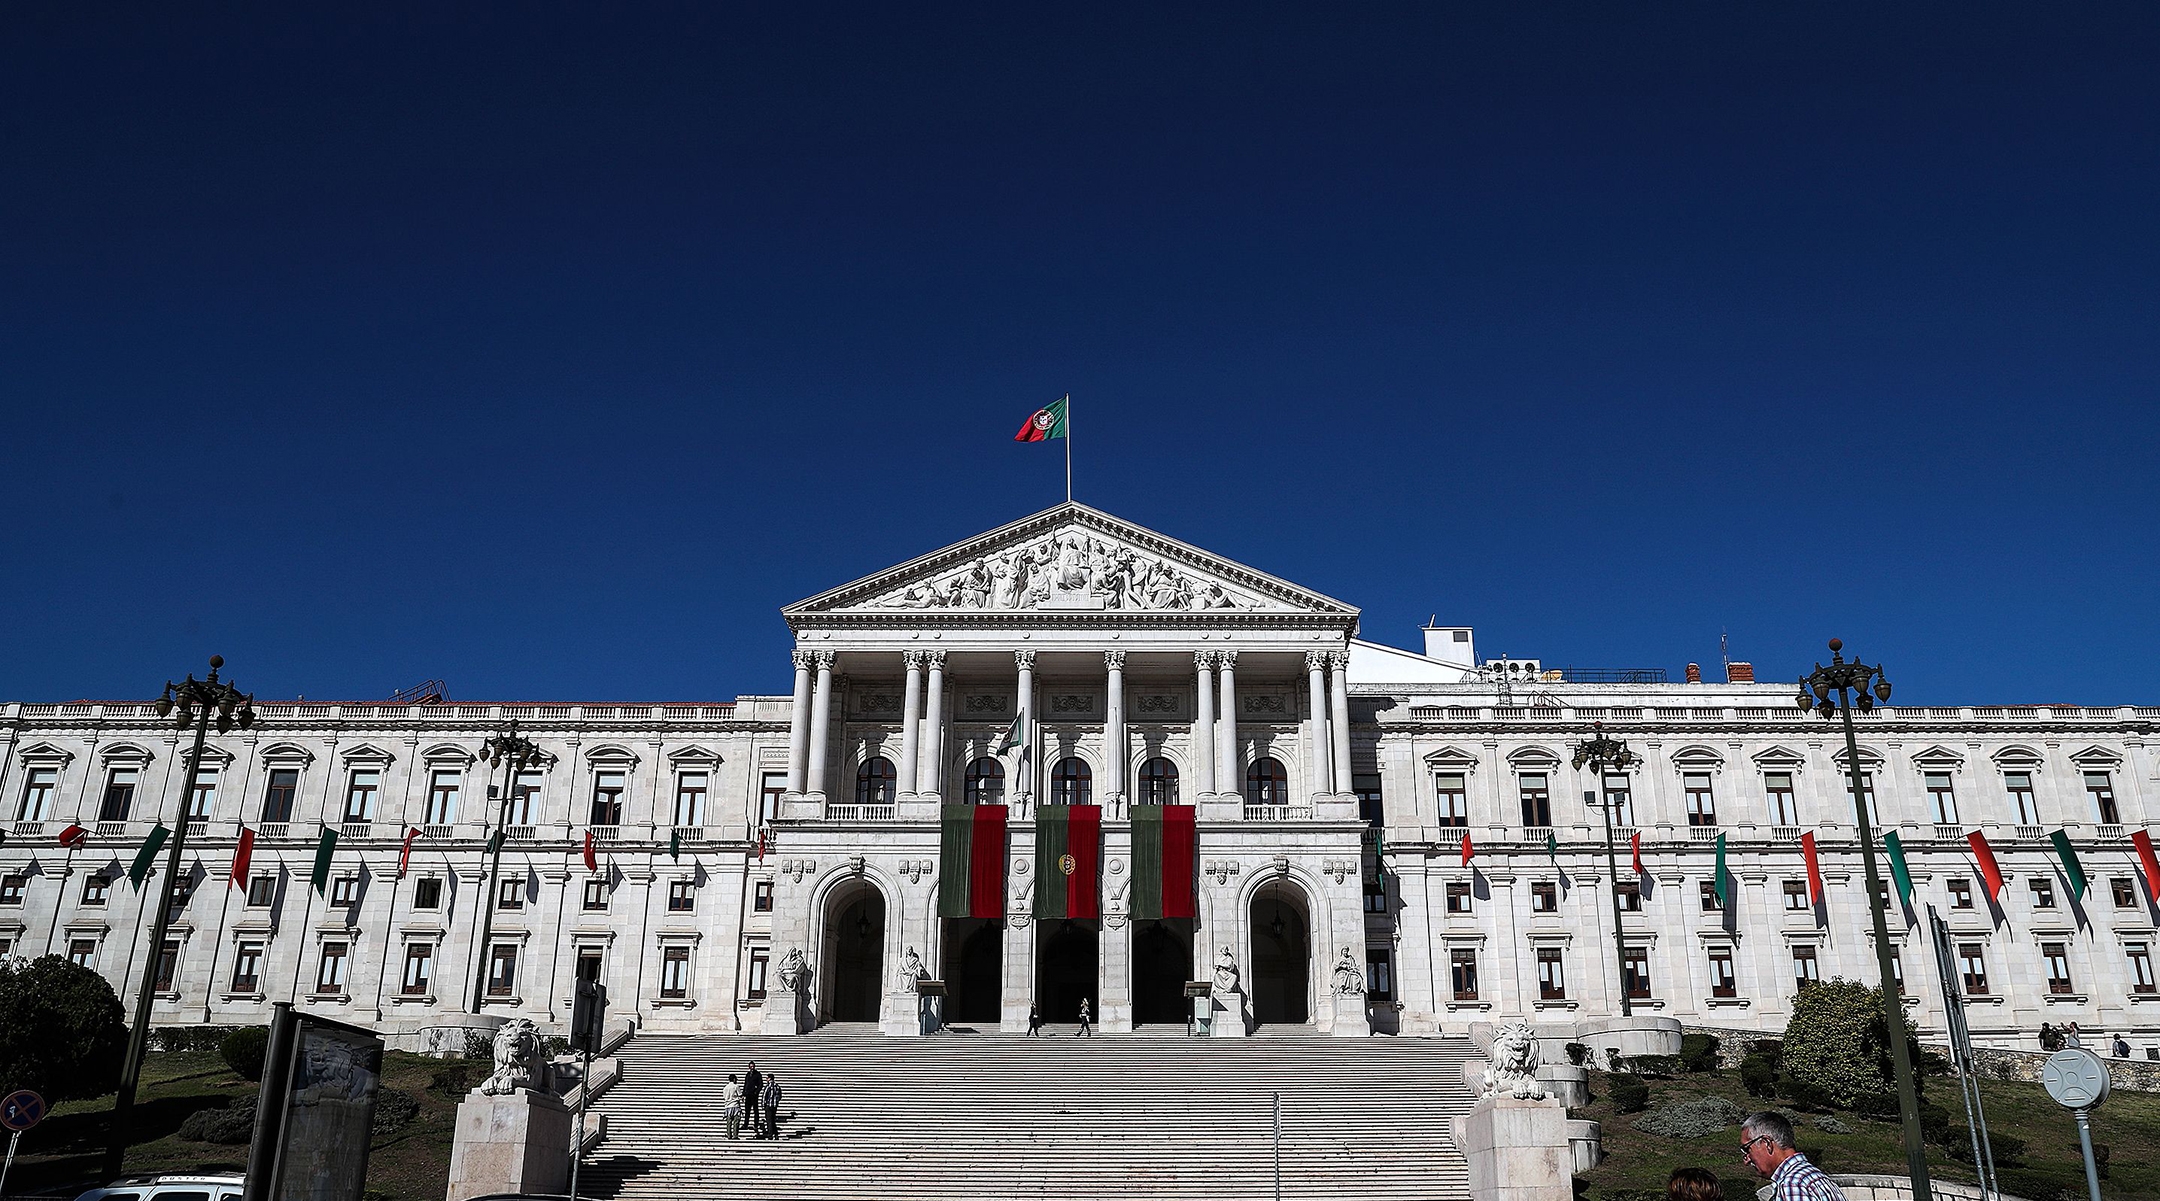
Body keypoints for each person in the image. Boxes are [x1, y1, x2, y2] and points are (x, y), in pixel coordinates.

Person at [1741, 1112, 1841, 1201]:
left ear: (1767, 1143)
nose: (1746, 1161)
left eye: (1747, 1149)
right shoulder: (1819, 1179)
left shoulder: (1793, 1185)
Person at [743, 1060, 764, 1138]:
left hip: (754, 1095)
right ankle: (746, 1124)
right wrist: (743, 1093)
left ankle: (755, 1124)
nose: (752, 1068)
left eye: (753, 1066)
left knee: (756, 1111)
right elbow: (746, 1084)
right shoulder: (748, 1074)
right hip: (748, 1095)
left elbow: (761, 1084)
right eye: (750, 1066)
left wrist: (756, 1092)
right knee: (747, 1111)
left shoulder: (758, 1074)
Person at [761, 1072, 783, 1140]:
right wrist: (776, 1101)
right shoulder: (777, 1086)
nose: (766, 1079)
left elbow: (764, 1096)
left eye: (767, 1078)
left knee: (769, 1120)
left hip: (769, 1105)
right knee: (773, 1120)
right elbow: (780, 1095)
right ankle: (775, 1133)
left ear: (769, 1078)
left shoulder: (768, 1086)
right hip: (774, 1105)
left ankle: (770, 1134)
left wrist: (763, 1104)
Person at [722, 1072, 744, 1141]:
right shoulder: (736, 1086)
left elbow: (724, 1097)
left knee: (729, 1122)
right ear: (734, 1079)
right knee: (736, 1121)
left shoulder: (725, 1088)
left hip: (727, 1106)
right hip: (735, 1105)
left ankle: (729, 1134)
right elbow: (740, 1095)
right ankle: (735, 1135)